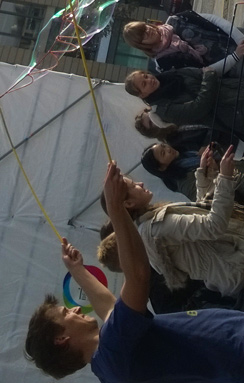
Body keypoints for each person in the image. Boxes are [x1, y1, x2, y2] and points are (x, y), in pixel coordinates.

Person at [25, 161, 244, 383]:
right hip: (234, 353)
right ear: (61, 338)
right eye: (66, 314)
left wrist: (77, 270)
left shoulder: (110, 363)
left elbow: (109, 307)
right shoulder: (113, 353)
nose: (76, 310)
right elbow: (138, 277)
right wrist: (116, 208)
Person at [98, 151, 244, 301]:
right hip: (238, 268)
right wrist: (225, 178)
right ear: (128, 203)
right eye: (133, 186)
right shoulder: (156, 227)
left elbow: (200, 223)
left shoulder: (149, 225)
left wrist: (204, 177)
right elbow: (214, 226)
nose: (140, 184)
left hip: (233, 272)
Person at [122, 13, 244, 72]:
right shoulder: (164, 63)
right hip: (235, 67)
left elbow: (211, 20)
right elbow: (203, 73)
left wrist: (240, 39)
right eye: (143, 35)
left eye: (144, 27)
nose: (147, 31)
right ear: (141, 45)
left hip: (236, 38)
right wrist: (235, 57)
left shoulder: (175, 19)